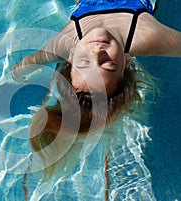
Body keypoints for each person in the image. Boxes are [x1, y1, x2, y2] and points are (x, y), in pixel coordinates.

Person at [11, 0, 181, 199]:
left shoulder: (66, 42)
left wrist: (20, 72)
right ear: (126, 61)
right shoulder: (146, 36)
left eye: (84, 62)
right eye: (107, 65)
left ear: (71, 56)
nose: (97, 52)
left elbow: (33, 61)